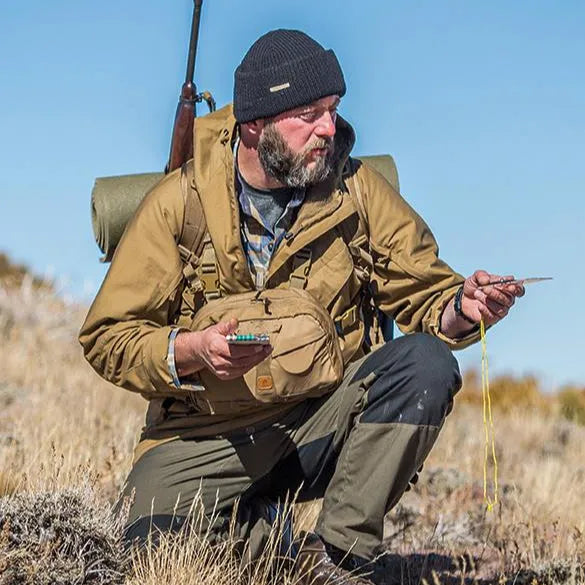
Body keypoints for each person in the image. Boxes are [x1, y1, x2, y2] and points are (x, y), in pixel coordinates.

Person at [79, 29, 524, 584]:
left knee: (424, 365)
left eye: (332, 110)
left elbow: (425, 294)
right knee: (152, 553)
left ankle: (339, 556)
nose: (328, 129)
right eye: (308, 115)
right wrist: (191, 350)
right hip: (205, 435)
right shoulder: (177, 205)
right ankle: (267, 537)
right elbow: (107, 335)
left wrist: (463, 305)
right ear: (255, 126)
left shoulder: (357, 191)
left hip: (322, 417)